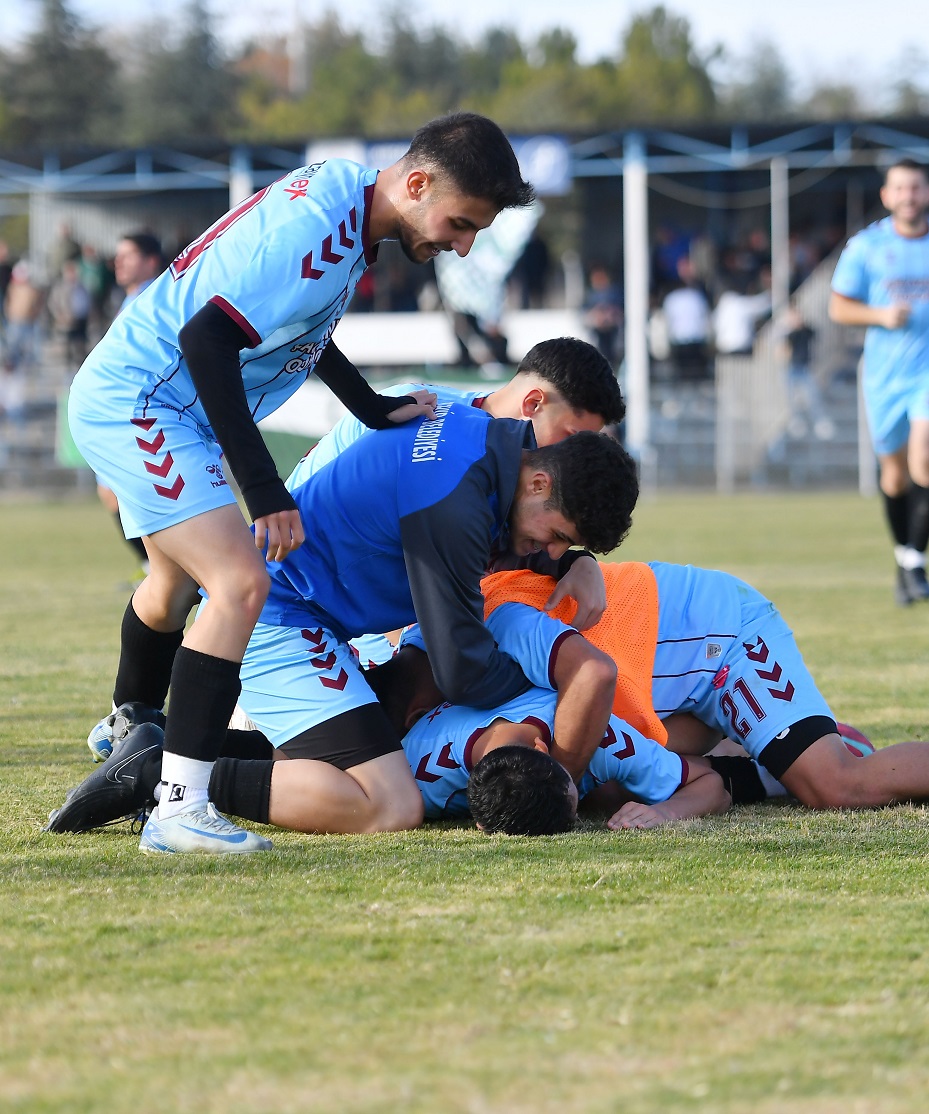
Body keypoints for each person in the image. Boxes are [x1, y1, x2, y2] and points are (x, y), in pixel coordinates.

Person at [68, 111, 535, 854]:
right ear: (416, 184)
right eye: (460, 222)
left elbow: (298, 326)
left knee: (174, 585)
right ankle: (177, 806)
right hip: (146, 401)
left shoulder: (348, 198)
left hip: (165, 401)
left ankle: (131, 722)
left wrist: (369, 406)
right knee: (241, 583)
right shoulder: (318, 230)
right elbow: (207, 339)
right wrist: (266, 491)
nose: (462, 243)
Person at [50, 417, 639, 841]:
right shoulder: (456, 503)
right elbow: (460, 668)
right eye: (559, 535)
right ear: (538, 483)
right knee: (388, 802)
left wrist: (578, 563)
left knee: (361, 751)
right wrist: (546, 692)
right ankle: (162, 773)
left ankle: (170, 747)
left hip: (300, 613)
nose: (550, 549)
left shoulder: (488, 446)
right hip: (282, 617)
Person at [464, 558, 929, 816]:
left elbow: (593, 676)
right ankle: (766, 760)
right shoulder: (435, 627)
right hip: (667, 684)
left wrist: (558, 787)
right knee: (609, 789)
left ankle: (803, 752)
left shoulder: (491, 612)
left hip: (723, 639)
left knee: (835, 786)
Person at [366, 645, 729, 835]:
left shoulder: (598, 737)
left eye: (572, 794)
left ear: (546, 750)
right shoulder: (413, 773)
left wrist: (665, 813)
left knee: (694, 736)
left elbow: (711, 785)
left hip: (643, 664)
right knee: (608, 796)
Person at [829, 158, 929, 606]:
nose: (910, 196)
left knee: (924, 460)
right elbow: (839, 308)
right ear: (888, 196)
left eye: (917, 188)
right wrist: (881, 315)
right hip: (886, 377)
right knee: (895, 475)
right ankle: (907, 560)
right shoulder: (867, 247)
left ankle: (913, 564)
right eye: (901, 189)